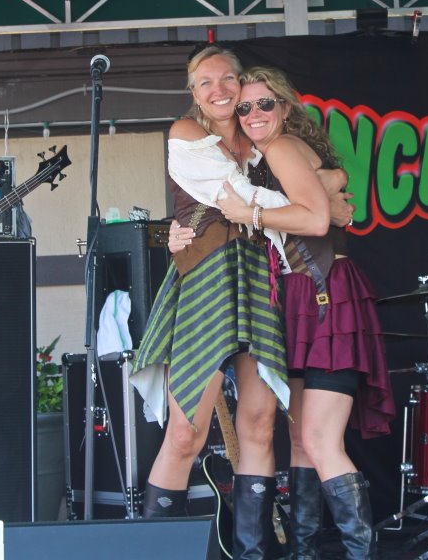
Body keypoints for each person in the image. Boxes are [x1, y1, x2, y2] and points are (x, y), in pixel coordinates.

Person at [129, 45, 350, 560]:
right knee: (186, 432)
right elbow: (238, 196)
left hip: (260, 280)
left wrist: (326, 184)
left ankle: (253, 553)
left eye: (227, 78)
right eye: (205, 82)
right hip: (206, 280)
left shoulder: (261, 139)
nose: (220, 89)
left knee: (258, 426)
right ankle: (152, 552)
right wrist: (316, 203)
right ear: (193, 92)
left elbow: (324, 171)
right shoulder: (187, 132)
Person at [213, 66, 396, 559]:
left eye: (264, 103)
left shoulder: (282, 147)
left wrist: (248, 214)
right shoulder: (262, 157)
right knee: (299, 440)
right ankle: (304, 553)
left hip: (322, 296)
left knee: (317, 439)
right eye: (244, 107)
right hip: (294, 300)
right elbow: (325, 193)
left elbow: (315, 221)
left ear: (285, 107)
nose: (253, 113)